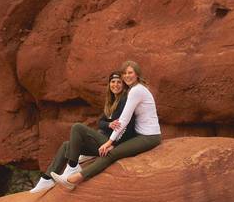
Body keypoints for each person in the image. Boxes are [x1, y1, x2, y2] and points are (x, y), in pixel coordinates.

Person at [50, 59, 161, 191]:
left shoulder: (136, 91)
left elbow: (124, 120)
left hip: (149, 137)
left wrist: (109, 142)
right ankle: (73, 171)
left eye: (130, 73)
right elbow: (106, 121)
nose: (127, 76)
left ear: (137, 74)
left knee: (111, 153)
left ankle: (74, 179)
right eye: (124, 73)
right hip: (140, 135)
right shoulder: (135, 90)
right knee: (106, 149)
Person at [28, 71, 135, 193]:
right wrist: (108, 124)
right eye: (113, 82)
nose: (115, 85)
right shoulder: (112, 102)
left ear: (123, 85)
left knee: (77, 127)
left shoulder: (125, 100)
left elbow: (129, 126)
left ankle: (73, 167)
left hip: (111, 144)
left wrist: (113, 145)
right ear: (109, 84)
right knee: (66, 145)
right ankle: (46, 179)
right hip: (102, 142)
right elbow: (100, 122)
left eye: (119, 82)